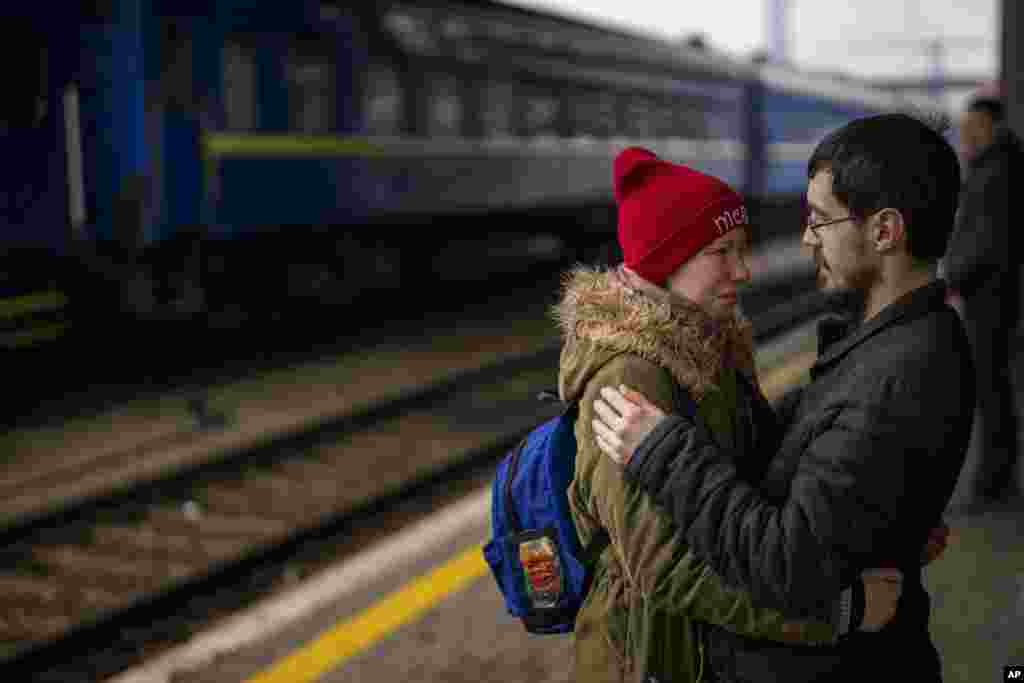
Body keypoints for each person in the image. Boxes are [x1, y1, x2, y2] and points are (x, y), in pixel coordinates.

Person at [590, 115, 974, 682]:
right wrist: (882, 531)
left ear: (885, 231)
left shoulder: (895, 372)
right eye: (721, 252)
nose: (805, 238)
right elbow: (662, 557)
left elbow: (784, 559)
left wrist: (665, 452)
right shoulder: (875, 345)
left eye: (820, 219)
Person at [943, 95, 1022, 506]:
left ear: (989, 125)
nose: (965, 132)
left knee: (990, 388)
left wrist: (951, 279)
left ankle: (994, 481)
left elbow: (986, 242)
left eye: (971, 124)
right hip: (988, 292)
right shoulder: (993, 165)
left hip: (990, 295)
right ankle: (996, 476)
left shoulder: (997, 170)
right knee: (992, 386)